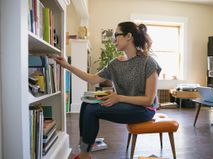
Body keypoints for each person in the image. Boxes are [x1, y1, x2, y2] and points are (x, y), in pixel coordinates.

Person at [51, 21, 161, 159]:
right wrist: (67, 66)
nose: (114, 40)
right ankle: (84, 150)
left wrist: (119, 97)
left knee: (92, 110)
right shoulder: (116, 64)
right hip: (127, 105)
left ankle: (84, 155)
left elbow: (149, 100)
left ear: (128, 36)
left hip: (145, 110)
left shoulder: (148, 62)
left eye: (117, 35)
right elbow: (92, 78)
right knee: (86, 104)